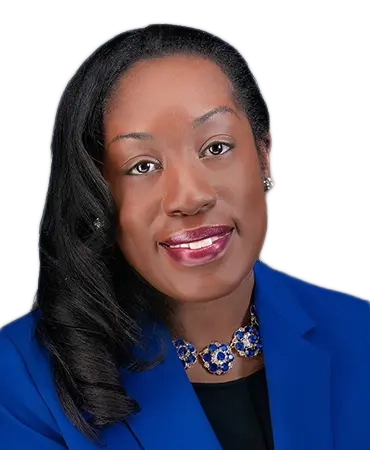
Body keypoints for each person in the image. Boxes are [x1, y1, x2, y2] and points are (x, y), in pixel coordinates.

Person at [0, 23, 369, 450]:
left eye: (216, 148)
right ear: (98, 194)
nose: (190, 197)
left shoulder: (360, 334)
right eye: (142, 166)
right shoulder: (18, 384)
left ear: (264, 156)